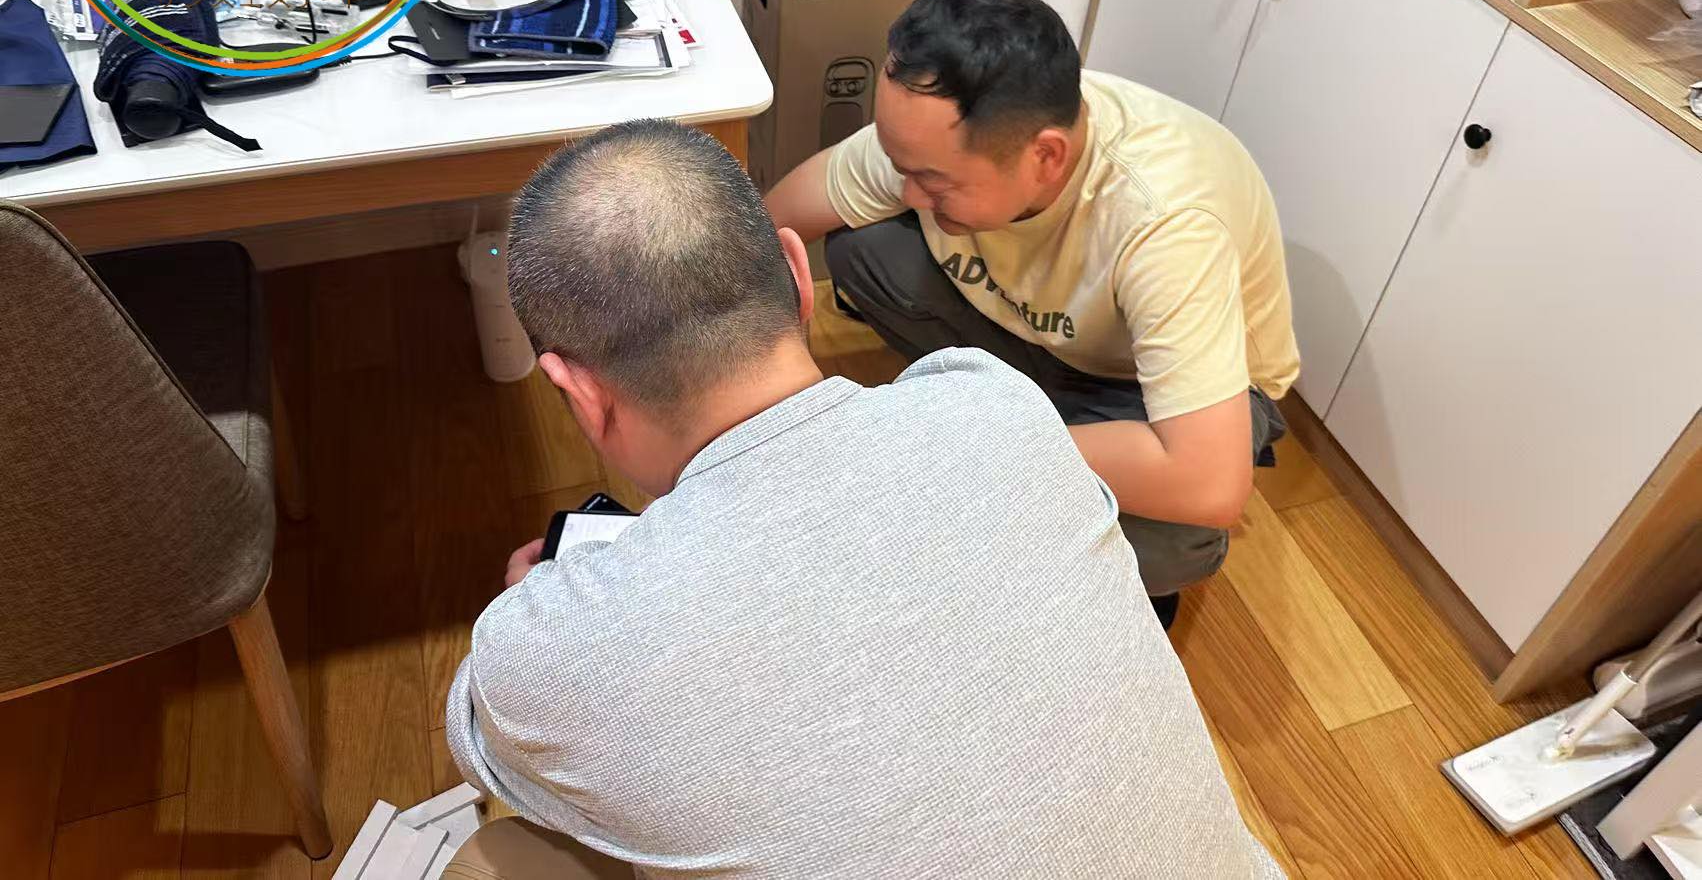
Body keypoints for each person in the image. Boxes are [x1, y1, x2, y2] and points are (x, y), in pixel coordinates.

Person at [445, 118, 1283, 880]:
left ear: (578, 392)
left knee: (491, 860)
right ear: (798, 276)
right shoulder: (993, 400)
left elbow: (484, 746)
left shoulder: (551, 649)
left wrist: (540, 616)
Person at [765, 0, 1300, 621]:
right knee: (863, 248)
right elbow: (771, 229)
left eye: (932, 179)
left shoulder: (1164, 221)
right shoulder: (945, 131)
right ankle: (1035, 453)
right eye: (899, 164)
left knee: (1174, 540)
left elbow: (1210, 484)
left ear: (1046, 157)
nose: (908, 191)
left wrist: (970, 446)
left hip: (1149, 392)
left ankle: (1025, 455)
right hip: (1046, 336)